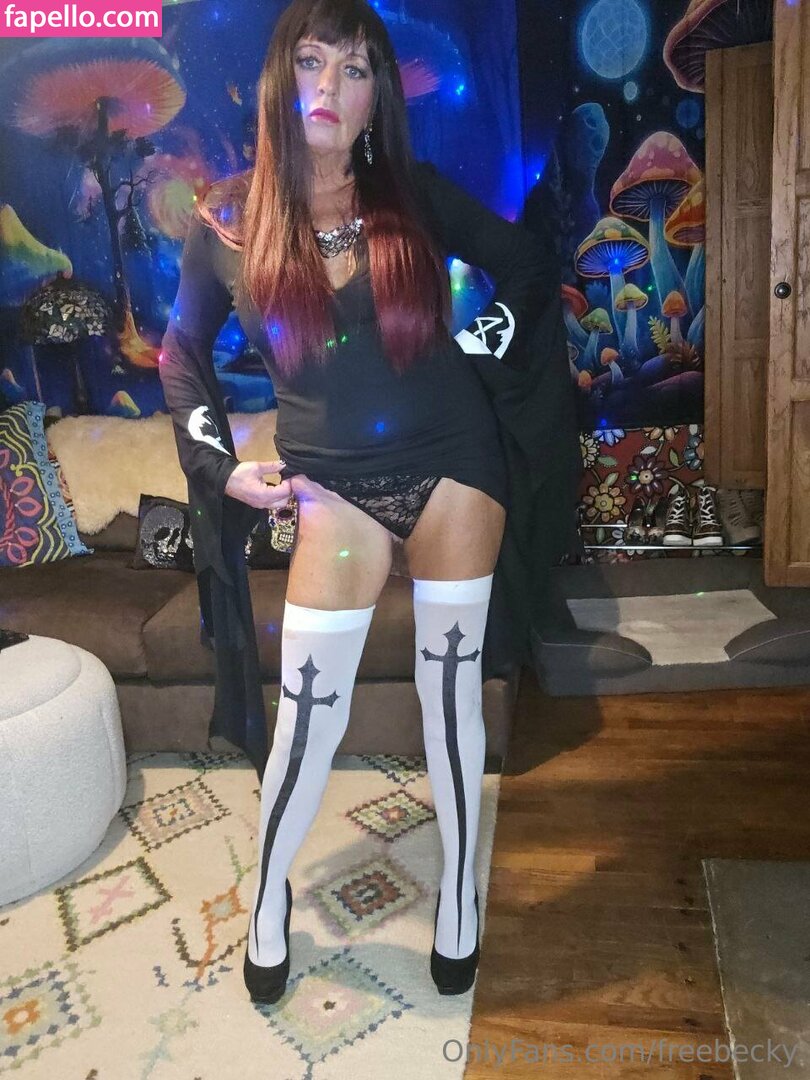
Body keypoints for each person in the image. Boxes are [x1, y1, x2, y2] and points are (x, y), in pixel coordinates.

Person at [159, 0, 568, 1005]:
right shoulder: (227, 222)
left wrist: (474, 350)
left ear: (377, 92)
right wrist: (219, 467)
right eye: (313, 62)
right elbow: (180, 353)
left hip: (455, 471)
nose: (331, 88)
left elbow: (526, 265)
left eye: (355, 69)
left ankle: (459, 898)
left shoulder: (412, 195)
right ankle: (268, 896)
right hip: (333, 489)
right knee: (309, 713)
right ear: (280, 79)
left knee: (448, 698)